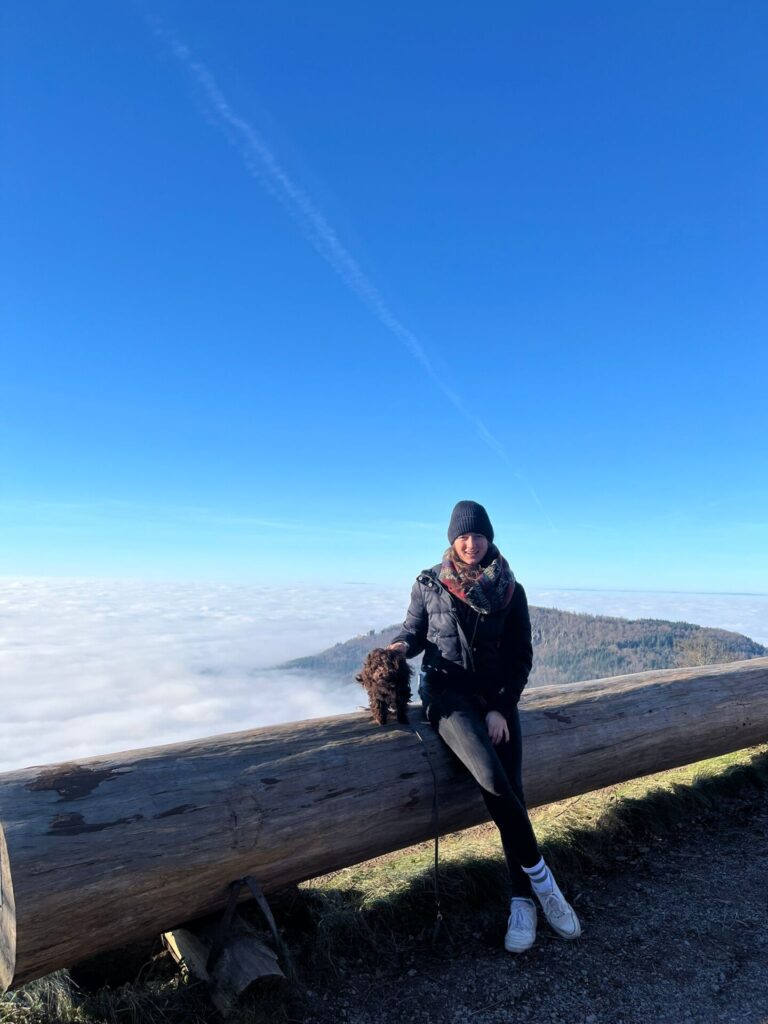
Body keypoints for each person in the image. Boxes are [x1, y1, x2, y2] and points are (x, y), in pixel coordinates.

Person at [388, 499, 581, 952]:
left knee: (511, 788)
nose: (470, 543)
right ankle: (545, 884)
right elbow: (416, 633)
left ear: (489, 538)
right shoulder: (429, 583)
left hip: (495, 698)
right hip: (447, 697)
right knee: (493, 779)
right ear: (451, 540)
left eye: (478, 535)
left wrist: (500, 706)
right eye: (462, 535)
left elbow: (520, 656)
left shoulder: (510, 589)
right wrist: (398, 647)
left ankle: (523, 901)